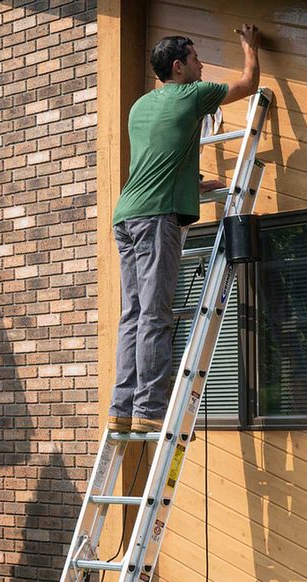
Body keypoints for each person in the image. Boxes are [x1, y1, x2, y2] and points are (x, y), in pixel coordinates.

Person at [108, 25, 261, 434]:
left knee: (133, 314)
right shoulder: (193, 94)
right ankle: (148, 408)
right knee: (156, 315)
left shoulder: (139, 107)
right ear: (178, 67)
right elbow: (250, 84)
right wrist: (250, 47)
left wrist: (192, 184)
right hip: (157, 217)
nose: (202, 63)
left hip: (126, 214)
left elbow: (157, 156)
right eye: (195, 58)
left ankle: (121, 407)